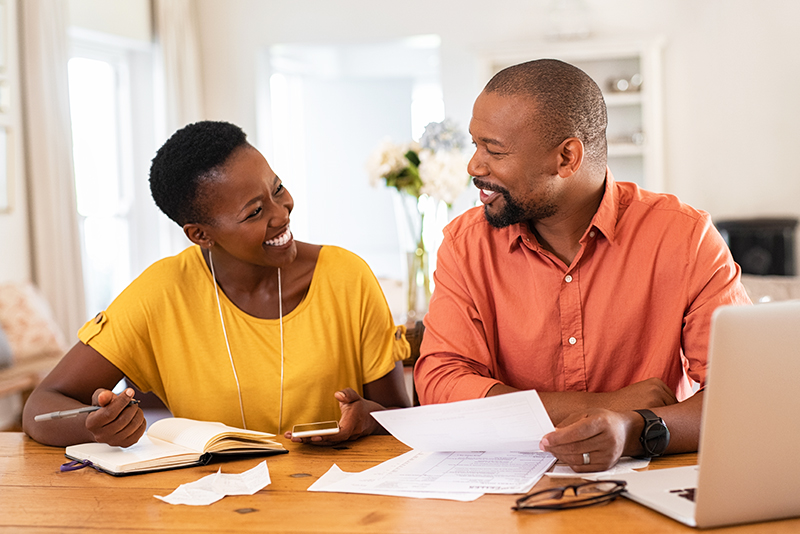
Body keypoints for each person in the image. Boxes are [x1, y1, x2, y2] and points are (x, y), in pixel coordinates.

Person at [414, 59, 751, 472]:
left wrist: (633, 429)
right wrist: (600, 407)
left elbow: (742, 392)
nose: (474, 166)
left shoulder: (684, 237)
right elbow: (440, 383)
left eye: (495, 150)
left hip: (650, 483)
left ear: (567, 157)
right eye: (475, 145)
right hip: (503, 490)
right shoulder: (466, 245)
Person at [23, 120, 410, 448]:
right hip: (211, 503)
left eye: (277, 189)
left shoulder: (347, 276)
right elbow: (40, 407)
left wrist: (366, 418)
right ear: (200, 235)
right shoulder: (162, 292)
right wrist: (98, 428)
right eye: (255, 212)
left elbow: (399, 418)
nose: (282, 213)